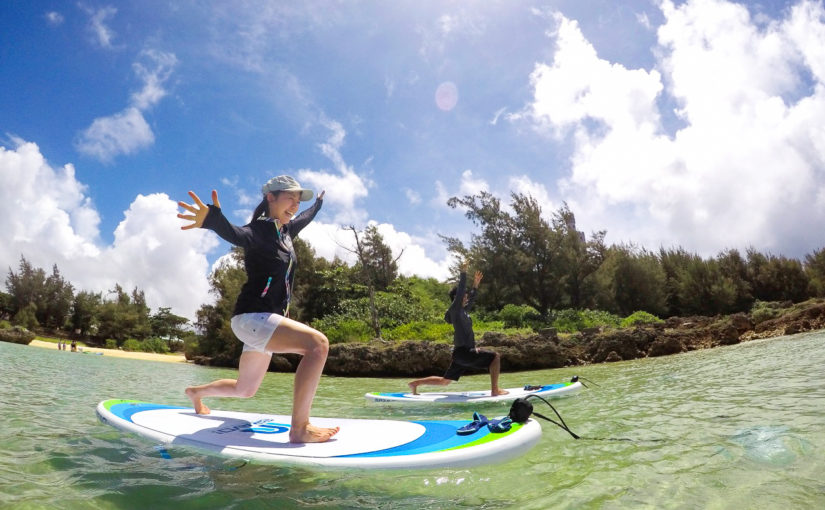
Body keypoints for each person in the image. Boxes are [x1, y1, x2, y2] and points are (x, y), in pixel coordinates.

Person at [177, 175, 338, 443]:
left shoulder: (285, 232)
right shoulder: (259, 231)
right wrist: (214, 221)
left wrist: (318, 204)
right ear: (270, 197)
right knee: (318, 345)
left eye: (298, 201)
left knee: (245, 389)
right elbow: (236, 234)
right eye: (290, 198)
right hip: (252, 318)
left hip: (264, 323)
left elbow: (305, 218)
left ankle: (196, 392)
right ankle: (300, 428)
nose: (295, 206)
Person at [407, 262, 508, 397]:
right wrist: (463, 272)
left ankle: (415, 384)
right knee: (495, 357)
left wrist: (475, 286)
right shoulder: (455, 310)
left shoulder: (462, 312)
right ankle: (495, 390)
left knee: (445, 381)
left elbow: (471, 300)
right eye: (463, 296)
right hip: (464, 352)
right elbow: (460, 291)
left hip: (460, 354)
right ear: (456, 298)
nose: (465, 297)